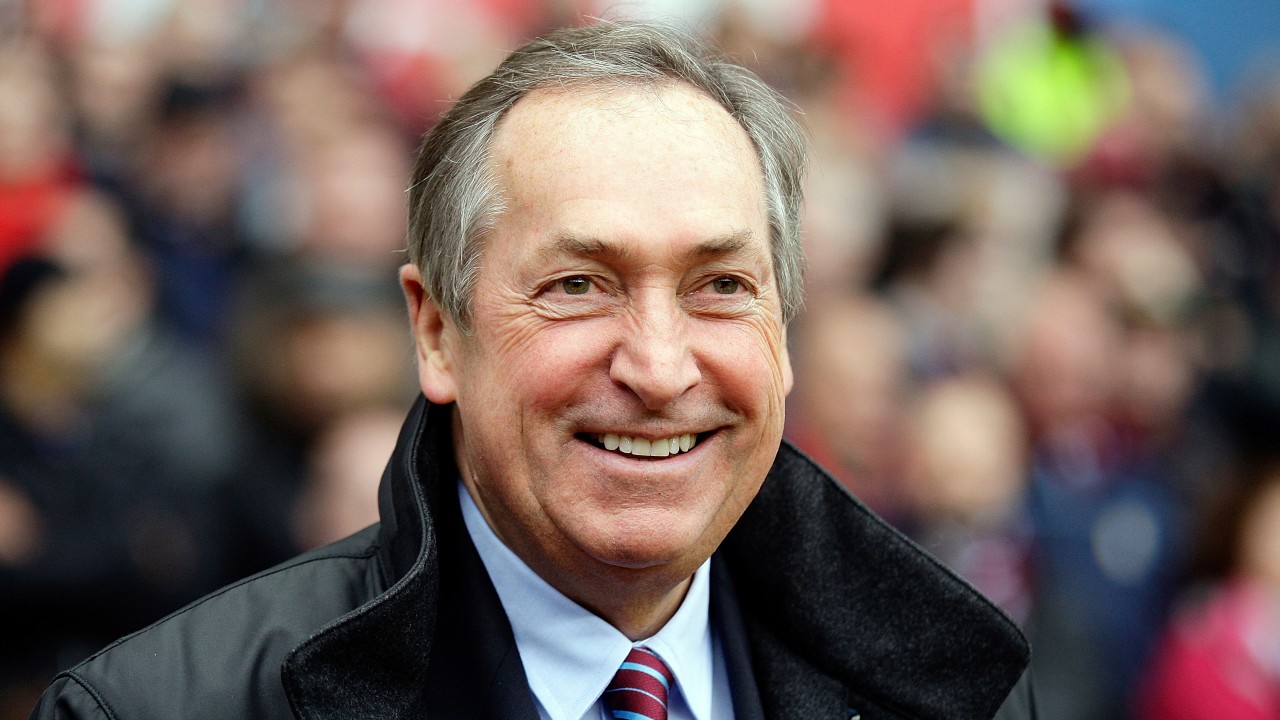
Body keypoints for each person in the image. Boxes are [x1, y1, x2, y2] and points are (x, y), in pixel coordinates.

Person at [30, 22, 1036, 720]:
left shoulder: (953, 681)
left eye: (721, 285)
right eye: (577, 285)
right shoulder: (169, 706)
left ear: (784, 329)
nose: (658, 368)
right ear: (436, 333)